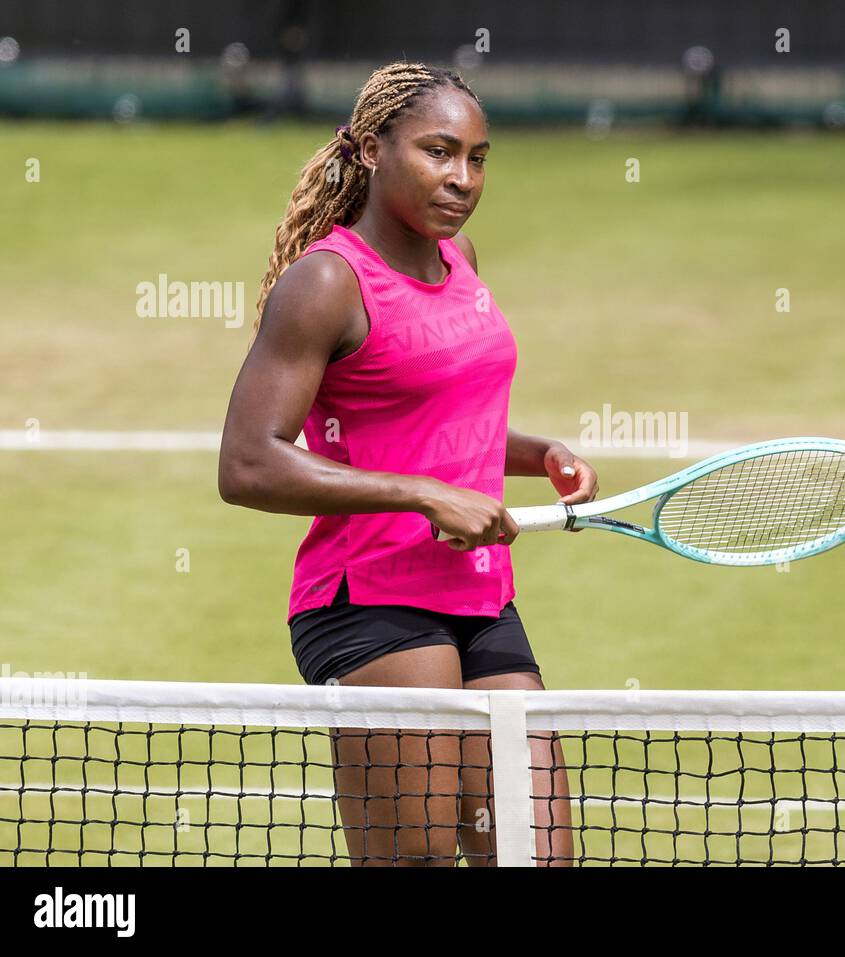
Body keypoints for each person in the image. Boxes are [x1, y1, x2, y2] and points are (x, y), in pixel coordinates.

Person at [218, 61, 596, 866]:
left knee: (537, 856)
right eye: (438, 151)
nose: (462, 178)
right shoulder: (326, 281)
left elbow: (433, 417)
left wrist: (542, 454)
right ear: (370, 149)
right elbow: (248, 464)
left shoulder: (460, 263)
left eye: (478, 157)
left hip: (482, 594)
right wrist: (426, 497)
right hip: (370, 599)